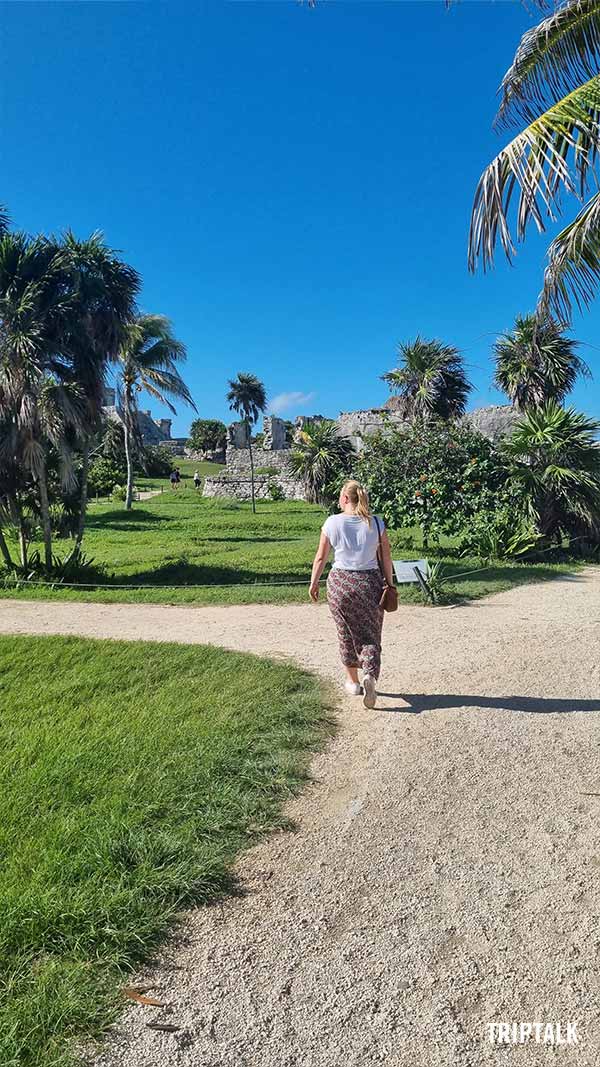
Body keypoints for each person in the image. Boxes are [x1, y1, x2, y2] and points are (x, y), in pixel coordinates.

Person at [309, 480, 395, 709]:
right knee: (371, 634)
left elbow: (320, 557)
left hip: (340, 584)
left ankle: (352, 682)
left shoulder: (332, 522)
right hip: (369, 583)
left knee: (345, 632)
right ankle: (370, 675)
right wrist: (390, 583)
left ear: (345, 499)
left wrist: (314, 582)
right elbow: (386, 557)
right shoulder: (376, 523)